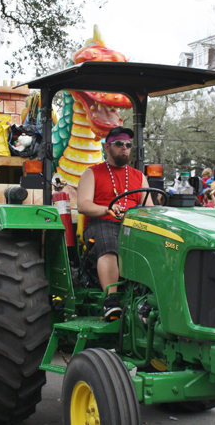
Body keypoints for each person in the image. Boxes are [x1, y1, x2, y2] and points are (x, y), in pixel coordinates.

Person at [77, 127, 151, 321]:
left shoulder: (139, 176)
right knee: (110, 245)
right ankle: (111, 302)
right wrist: (106, 209)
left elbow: (149, 208)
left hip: (133, 225)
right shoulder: (92, 173)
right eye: (119, 144)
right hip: (102, 222)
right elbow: (83, 205)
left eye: (128, 145)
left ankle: (149, 299)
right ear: (108, 147)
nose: (124, 148)